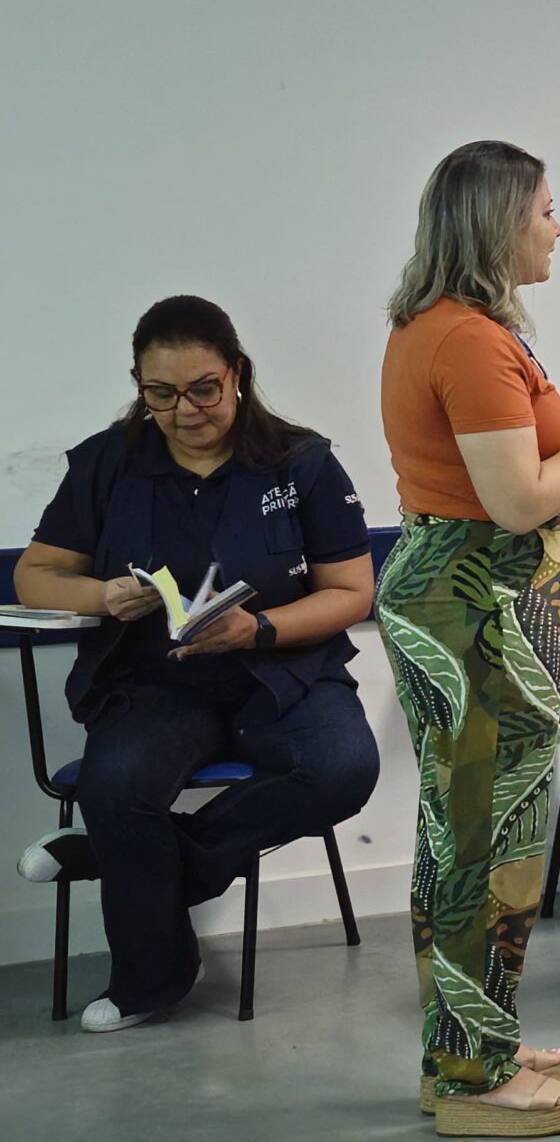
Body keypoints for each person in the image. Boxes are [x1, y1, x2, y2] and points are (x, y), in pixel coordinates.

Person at [12, 297, 381, 1032]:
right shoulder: (108, 462)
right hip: (156, 679)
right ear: (139, 386)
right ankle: (152, 980)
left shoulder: (300, 462)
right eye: (161, 394)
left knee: (343, 766)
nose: (185, 410)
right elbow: (35, 575)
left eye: (203, 388)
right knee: (117, 786)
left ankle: (114, 859)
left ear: (237, 374)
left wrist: (260, 628)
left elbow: (352, 591)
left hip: (281, 670)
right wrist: (101, 593)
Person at [380, 140, 560, 1138]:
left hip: (472, 603)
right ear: (500, 223)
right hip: (479, 611)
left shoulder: (448, 327)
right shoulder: (468, 340)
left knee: (467, 836)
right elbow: (518, 504)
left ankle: (473, 1044)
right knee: (484, 841)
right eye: (547, 209)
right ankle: (473, 1082)